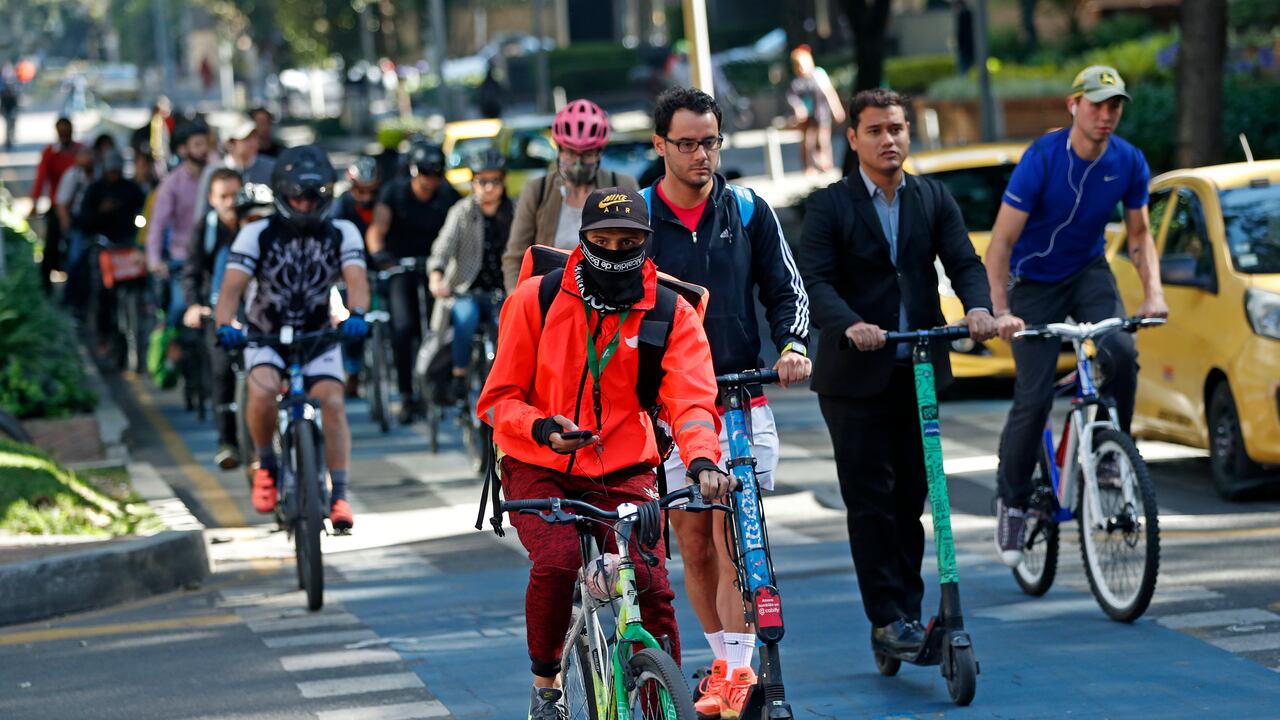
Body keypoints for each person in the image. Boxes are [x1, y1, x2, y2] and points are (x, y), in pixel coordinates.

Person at [477, 186, 730, 720]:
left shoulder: (671, 311)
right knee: (558, 559)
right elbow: (497, 400)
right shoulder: (535, 300)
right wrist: (541, 427)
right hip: (536, 461)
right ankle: (546, 687)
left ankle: (662, 700)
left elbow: (691, 401)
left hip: (625, 465)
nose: (615, 252)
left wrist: (703, 460)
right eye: (603, 241)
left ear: (647, 242)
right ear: (583, 239)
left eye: (629, 242)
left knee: (651, 582)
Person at [798, 89, 997, 659]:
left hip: (919, 368)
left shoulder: (932, 197)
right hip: (854, 378)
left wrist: (978, 308)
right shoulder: (831, 205)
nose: (889, 140)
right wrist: (851, 324)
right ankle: (886, 618)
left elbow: (963, 261)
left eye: (897, 129)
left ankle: (906, 614)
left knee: (913, 496)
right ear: (853, 138)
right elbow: (815, 281)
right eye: (876, 130)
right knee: (870, 501)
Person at [641, 86, 811, 719]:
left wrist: (793, 344)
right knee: (694, 543)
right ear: (660, 145)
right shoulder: (639, 218)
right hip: (671, 410)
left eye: (709, 142)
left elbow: (786, 290)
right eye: (686, 144)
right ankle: (722, 661)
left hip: (740, 398)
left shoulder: (747, 209)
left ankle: (739, 671)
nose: (701, 155)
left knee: (735, 531)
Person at [986, 66, 1168, 566]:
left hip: (1088, 271)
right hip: (1033, 281)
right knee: (1034, 396)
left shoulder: (1128, 161)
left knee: (1121, 352)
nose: (1106, 115)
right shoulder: (1042, 159)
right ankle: (1013, 501)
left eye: (1115, 106)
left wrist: (1153, 295)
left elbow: (1139, 235)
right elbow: (1001, 242)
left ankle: (1111, 453)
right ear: (1074, 106)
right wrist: (1001, 310)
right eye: (1096, 104)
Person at [213, 145, 369, 531]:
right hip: (264, 334)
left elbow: (356, 281)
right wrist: (225, 325)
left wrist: (357, 315)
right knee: (262, 392)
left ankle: (339, 494)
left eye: (313, 196)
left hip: (318, 335)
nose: (305, 204)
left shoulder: (343, 232)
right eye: (297, 196)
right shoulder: (256, 233)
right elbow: (230, 290)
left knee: (333, 401)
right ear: (282, 194)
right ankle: (265, 464)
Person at [364, 140, 461, 423]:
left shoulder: (448, 195)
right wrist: (379, 254)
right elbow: (377, 229)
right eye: (425, 172)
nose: (431, 179)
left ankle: (441, 388)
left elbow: (462, 228)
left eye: (437, 172)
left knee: (441, 328)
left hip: (435, 270)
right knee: (403, 327)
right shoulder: (394, 192)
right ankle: (406, 395)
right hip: (400, 267)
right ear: (413, 170)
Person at [501, 99, 638, 292]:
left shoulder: (622, 186)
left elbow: (637, 251)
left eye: (587, 154)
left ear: (599, 153)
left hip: (608, 298)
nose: (578, 163)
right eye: (571, 153)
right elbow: (515, 258)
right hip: (550, 298)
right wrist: (518, 300)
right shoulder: (538, 191)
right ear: (558, 150)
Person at [427, 148, 513, 402]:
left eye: (495, 181)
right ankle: (460, 374)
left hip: (505, 291)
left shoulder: (516, 211)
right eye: (482, 181)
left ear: (503, 181)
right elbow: (442, 248)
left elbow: (532, 244)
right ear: (473, 182)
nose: (489, 187)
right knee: (466, 319)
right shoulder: (462, 211)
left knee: (509, 327)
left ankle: (508, 384)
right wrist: (436, 275)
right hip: (466, 290)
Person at [181, 168, 244, 469]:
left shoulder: (253, 225)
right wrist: (194, 306)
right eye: (223, 196)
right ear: (212, 199)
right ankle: (227, 442)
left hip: (254, 311)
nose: (230, 202)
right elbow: (191, 272)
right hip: (217, 313)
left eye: (235, 195)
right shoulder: (204, 230)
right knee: (221, 373)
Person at [79, 149, 146, 352]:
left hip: (127, 248)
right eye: (111, 172)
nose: (114, 175)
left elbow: (144, 213)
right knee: (101, 292)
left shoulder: (131, 189)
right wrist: (101, 211)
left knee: (138, 288)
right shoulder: (95, 190)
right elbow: (84, 220)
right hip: (104, 248)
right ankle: (103, 336)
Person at [145, 120, 210, 327]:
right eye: (197, 144)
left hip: (212, 257)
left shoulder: (215, 176)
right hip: (182, 259)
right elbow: (157, 224)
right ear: (183, 149)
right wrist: (154, 260)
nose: (203, 149)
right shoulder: (171, 183)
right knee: (179, 309)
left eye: (205, 143)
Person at [30, 117, 83, 293]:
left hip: (78, 207)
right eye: (62, 132)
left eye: (67, 131)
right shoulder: (50, 153)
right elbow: (41, 179)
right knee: (51, 246)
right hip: (57, 206)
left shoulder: (81, 151)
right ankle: (45, 288)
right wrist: (34, 202)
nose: (64, 135)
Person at [193, 119, 275, 224]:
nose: (252, 142)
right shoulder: (212, 172)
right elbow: (202, 214)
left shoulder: (270, 167)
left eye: (254, 137)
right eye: (245, 138)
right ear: (230, 143)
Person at [785, 45, 845, 175]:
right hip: (806, 118)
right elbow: (792, 98)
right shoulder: (797, 82)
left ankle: (825, 163)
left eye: (803, 65)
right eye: (799, 66)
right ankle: (808, 166)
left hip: (821, 114)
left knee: (823, 140)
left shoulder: (818, 75)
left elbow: (829, 93)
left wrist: (837, 109)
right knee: (808, 142)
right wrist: (798, 109)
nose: (802, 69)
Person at [333, 156, 381, 237]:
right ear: (351, 188)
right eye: (361, 191)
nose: (367, 197)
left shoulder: (382, 202)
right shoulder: (342, 204)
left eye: (373, 191)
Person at [1, 63, 19, 151]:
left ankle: (10, 137)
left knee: (12, 123)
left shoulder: (13, 94)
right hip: (6, 108)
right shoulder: (4, 94)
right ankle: (8, 139)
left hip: (11, 108)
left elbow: (15, 103)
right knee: (8, 123)